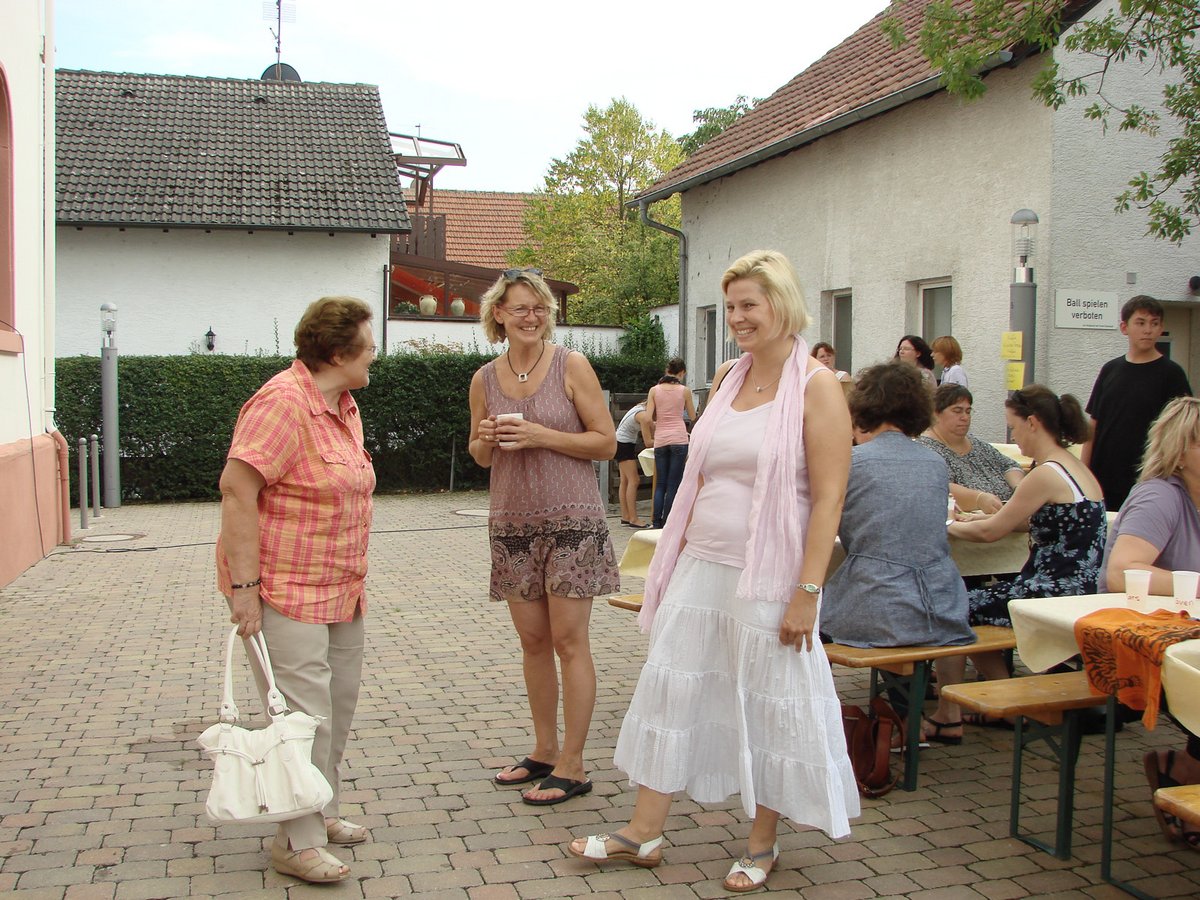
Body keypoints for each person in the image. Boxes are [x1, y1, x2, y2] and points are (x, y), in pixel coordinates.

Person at [567, 250, 858, 892]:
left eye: (749, 304)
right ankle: (643, 832)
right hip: (702, 563)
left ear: (782, 303)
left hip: (770, 573)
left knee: (769, 702)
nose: (737, 318)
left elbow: (830, 498)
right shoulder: (729, 377)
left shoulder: (817, 387)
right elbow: (701, 475)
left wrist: (808, 591)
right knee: (674, 685)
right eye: (730, 307)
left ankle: (762, 842)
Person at [217, 296, 377, 884]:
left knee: (336, 710)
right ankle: (295, 840)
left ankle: (320, 809)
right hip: (284, 589)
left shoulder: (343, 405)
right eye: (367, 345)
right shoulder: (282, 403)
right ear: (337, 353)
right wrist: (244, 589)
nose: (374, 355)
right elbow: (237, 490)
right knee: (302, 719)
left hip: (341, 588)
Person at [468, 267, 620, 806]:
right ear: (499, 314)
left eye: (539, 308)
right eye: (520, 308)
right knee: (533, 642)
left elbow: (606, 443)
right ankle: (544, 750)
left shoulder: (571, 365)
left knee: (569, 642)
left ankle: (574, 765)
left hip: (572, 520)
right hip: (513, 524)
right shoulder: (483, 379)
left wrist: (541, 435)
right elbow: (478, 455)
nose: (530, 317)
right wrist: (487, 438)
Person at [822, 361, 975, 745]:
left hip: (877, 600)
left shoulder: (851, 462)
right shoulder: (935, 463)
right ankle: (926, 716)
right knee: (903, 614)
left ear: (862, 406)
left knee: (809, 621)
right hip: (942, 602)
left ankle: (875, 723)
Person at [950, 386, 1106, 685]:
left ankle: (1001, 690)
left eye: (1014, 427)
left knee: (957, 608)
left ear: (1032, 422)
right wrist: (980, 517)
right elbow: (1035, 520)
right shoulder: (1074, 467)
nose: (1014, 436)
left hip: (1050, 593)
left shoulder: (1045, 474)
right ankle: (999, 689)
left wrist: (945, 525)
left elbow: (990, 532)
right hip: (1081, 589)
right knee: (974, 604)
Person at [1099, 396, 1200, 848]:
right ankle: (1184, 773)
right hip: (1138, 642)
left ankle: (1183, 769)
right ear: (1180, 451)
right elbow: (1122, 571)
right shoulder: (1161, 495)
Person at [1083, 295, 1192, 511]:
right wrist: (1083, 472)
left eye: (1154, 323)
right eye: (1140, 323)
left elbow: (1184, 432)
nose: (1148, 330)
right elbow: (1093, 425)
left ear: (1161, 328)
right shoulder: (1110, 370)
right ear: (1124, 327)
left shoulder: (1172, 374)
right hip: (1102, 477)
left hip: (1148, 478)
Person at [919, 384, 1025, 514]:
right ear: (936, 413)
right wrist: (979, 499)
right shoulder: (925, 450)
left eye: (968, 412)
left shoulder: (977, 444)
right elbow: (937, 486)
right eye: (957, 411)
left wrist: (1019, 489)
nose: (965, 417)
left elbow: (1009, 466)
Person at [645, 357, 696, 529]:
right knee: (674, 483)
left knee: (660, 483)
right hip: (679, 439)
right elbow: (692, 416)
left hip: (661, 439)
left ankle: (655, 521)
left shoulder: (654, 390)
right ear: (682, 373)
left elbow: (648, 417)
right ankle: (668, 521)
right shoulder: (685, 391)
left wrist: (656, 427)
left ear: (667, 371)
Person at [615, 398, 652, 528]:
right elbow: (648, 442)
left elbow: (653, 426)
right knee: (634, 480)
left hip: (621, 442)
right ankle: (634, 519)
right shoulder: (643, 416)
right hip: (624, 445)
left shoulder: (640, 408)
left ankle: (626, 516)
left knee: (625, 481)